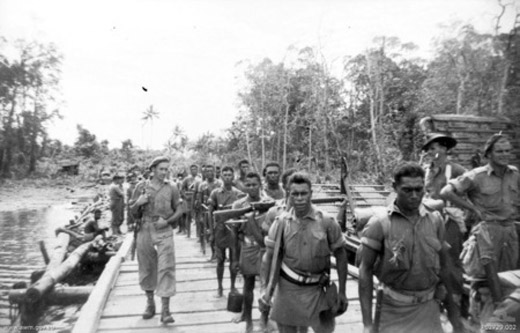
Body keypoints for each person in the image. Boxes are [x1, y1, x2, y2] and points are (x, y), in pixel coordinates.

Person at [358, 162, 462, 333]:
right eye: (407, 190)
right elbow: (365, 272)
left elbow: (445, 269)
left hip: (428, 309)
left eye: (419, 189)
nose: (414, 195)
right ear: (395, 187)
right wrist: (367, 324)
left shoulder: (435, 220)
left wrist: (454, 317)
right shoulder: (380, 224)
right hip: (393, 311)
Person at [440, 134, 520, 324]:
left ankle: (505, 324)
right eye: (499, 151)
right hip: (486, 233)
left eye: (507, 151)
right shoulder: (476, 175)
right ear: (489, 154)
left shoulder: (515, 174)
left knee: (509, 281)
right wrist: (473, 209)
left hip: (510, 232)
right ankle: (480, 322)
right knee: (483, 284)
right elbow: (446, 192)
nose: (504, 155)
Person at [261, 172, 348, 333]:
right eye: (295, 194)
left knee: (325, 330)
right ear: (289, 195)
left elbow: (341, 256)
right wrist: (265, 289)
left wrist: (342, 291)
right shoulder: (280, 223)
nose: (300, 198)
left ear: (311, 194)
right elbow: (269, 258)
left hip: (318, 289)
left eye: (304, 193)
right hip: (288, 290)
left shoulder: (327, 221)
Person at [131, 156, 183, 324]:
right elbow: (131, 213)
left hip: (164, 230)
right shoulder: (140, 187)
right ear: (152, 169)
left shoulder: (172, 187)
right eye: (161, 169)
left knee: (166, 267)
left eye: (166, 169)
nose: (164, 172)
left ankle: (166, 310)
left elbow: (180, 209)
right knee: (146, 267)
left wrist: (167, 221)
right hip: (145, 229)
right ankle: (150, 303)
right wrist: (138, 203)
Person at [421, 134, 467, 310]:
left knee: (450, 257)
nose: (431, 153)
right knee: (429, 256)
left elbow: (468, 191)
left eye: (434, 148)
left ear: (444, 149)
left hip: (450, 219)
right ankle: (434, 296)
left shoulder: (456, 170)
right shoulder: (426, 170)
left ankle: (453, 300)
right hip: (429, 218)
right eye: (429, 150)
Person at [232, 171, 271, 333]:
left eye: (255, 184)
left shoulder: (268, 203)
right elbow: (234, 233)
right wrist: (234, 258)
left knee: (266, 286)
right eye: (248, 185)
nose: (251, 188)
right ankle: (248, 320)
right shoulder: (238, 205)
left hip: (265, 247)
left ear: (260, 185)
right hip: (247, 247)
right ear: (243, 186)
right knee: (248, 285)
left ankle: (264, 319)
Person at [208, 166, 244, 297]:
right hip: (220, 230)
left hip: (233, 230)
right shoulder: (215, 193)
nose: (228, 177)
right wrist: (211, 232)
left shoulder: (238, 193)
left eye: (230, 175)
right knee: (220, 260)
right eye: (225, 175)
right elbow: (210, 213)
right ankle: (219, 287)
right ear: (221, 177)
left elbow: (242, 214)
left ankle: (233, 286)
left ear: (233, 177)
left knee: (234, 260)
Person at [195, 165, 223, 259]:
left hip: (218, 210)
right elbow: (199, 200)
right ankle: (213, 253)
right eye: (207, 171)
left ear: (214, 172)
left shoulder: (219, 183)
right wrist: (200, 215)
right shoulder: (202, 185)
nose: (209, 173)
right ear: (205, 173)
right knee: (209, 232)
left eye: (211, 171)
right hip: (206, 211)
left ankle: (221, 253)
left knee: (221, 232)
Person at [180, 164, 201, 237]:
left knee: (198, 216)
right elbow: (182, 189)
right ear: (190, 170)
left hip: (197, 199)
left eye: (195, 169)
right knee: (188, 216)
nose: (194, 171)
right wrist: (185, 196)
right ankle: (188, 233)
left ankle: (198, 234)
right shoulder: (187, 179)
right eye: (192, 169)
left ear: (197, 170)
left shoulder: (200, 178)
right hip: (189, 198)